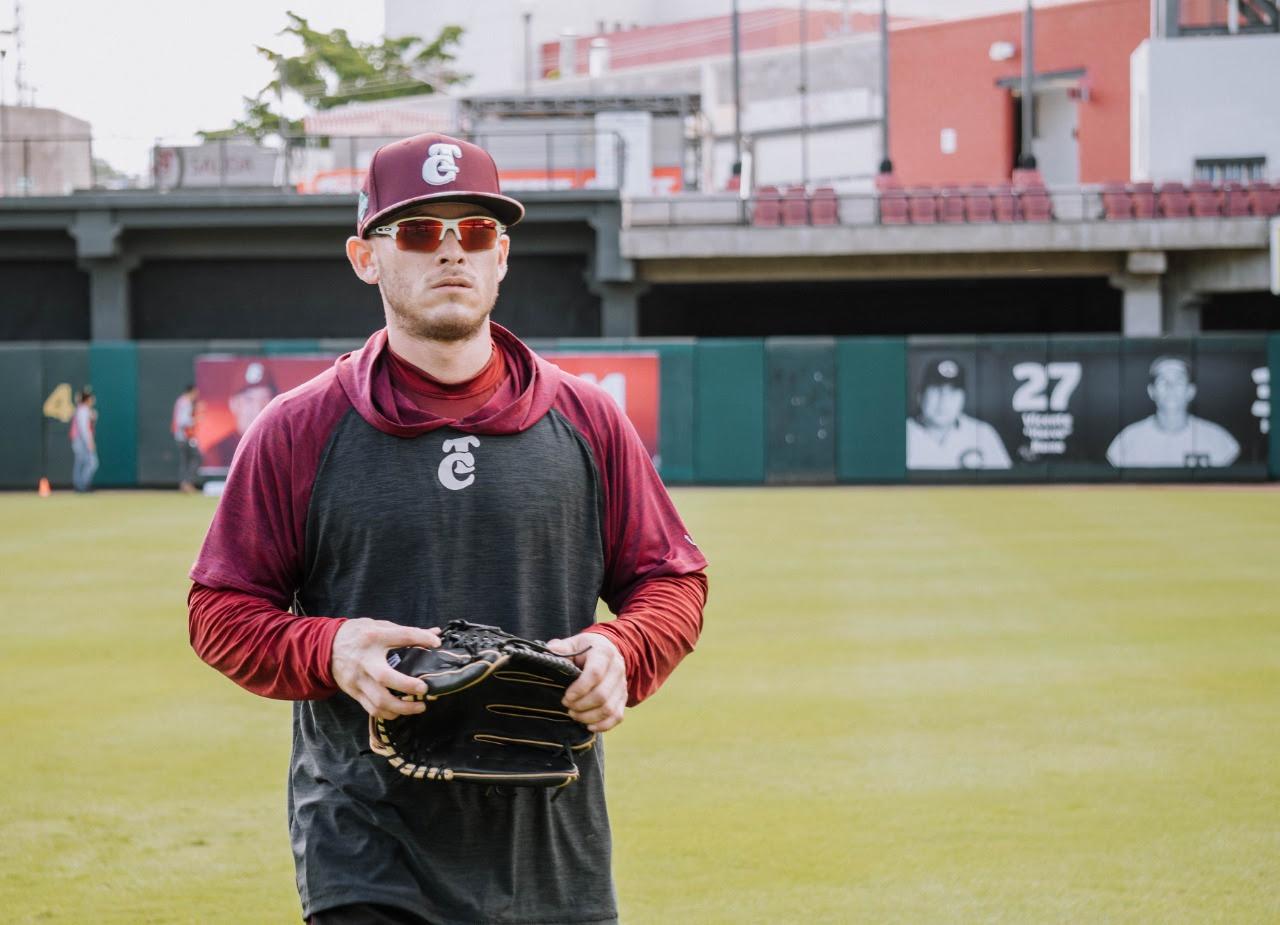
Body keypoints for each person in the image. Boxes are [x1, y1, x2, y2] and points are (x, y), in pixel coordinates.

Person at [187, 132, 708, 925]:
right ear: (366, 257)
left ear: (502, 255)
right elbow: (219, 610)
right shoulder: (297, 429)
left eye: (476, 233)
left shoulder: (587, 421)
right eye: (423, 233)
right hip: (366, 848)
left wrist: (621, 649)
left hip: (551, 850)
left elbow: (670, 579)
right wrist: (329, 648)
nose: (453, 253)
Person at [1106, 355, 1240, 467]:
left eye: (1179, 381)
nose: (1171, 387)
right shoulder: (1129, 438)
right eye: (1163, 381)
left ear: (1191, 391)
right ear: (1151, 391)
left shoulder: (1217, 437)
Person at [906, 358, 1011, 469]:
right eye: (936, 389)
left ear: (963, 399)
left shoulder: (983, 433)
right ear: (920, 395)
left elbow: (1008, 484)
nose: (943, 400)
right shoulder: (900, 434)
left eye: (952, 391)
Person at [205, 361, 277, 469]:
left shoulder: (281, 446)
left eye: (265, 399)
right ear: (234, 404)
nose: (258, 408)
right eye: (249, 400)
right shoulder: (217, 453)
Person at [69, 386, 98, 492]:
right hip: (81, 440)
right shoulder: (83, 410)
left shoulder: (84, 410)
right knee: (91, 462)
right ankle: (83, 485)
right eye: (91, 398)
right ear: (87, 399)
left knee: (81, 463)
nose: (93, 400)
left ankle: (80, 485)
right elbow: (84, 429)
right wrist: (89, 442)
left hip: (79, 440)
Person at [172, 384, 200, 493]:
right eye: (195, 392)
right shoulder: (185, 402)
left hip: (181, 436)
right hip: (185, 437)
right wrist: (195, 420)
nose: (196, 395)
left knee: (185, 460)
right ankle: (187, 483)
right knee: (195, 458)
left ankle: (185, 483)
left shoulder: (181, 401)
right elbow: (182, 421)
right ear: (191, 391)